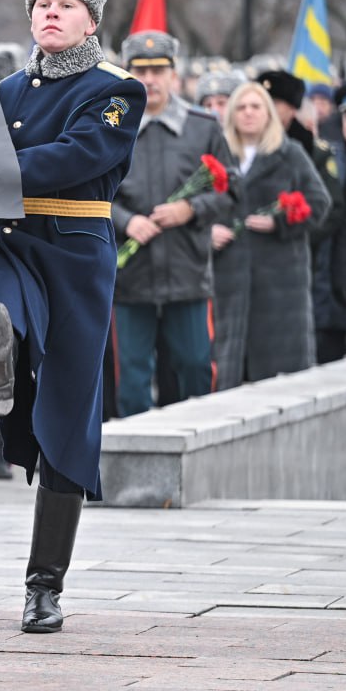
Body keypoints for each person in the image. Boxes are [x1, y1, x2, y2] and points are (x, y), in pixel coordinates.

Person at [0, 0, 145, 632]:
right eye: (42, 3)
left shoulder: (117, 88)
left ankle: (44, 582)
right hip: (8, 239)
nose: (51, 12)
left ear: (92, 20)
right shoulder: (2, 91)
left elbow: (76, 157)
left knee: (65, 414)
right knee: (0, 309)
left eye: (66, 3)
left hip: (76, 251)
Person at [110, 31, 235, 417]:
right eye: (141, 70)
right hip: (131, 274)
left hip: (187, 270)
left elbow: (231, 193)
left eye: (159, 70)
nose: (150, 79)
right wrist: (127, 221)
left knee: (195, 368)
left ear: (174, 75)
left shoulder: (204, 127)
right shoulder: (112, 127)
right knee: (132, 378)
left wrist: (190, 209)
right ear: (128, 75)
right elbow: (92, 194)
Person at [216, 82, 331, 381]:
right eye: (241, 107)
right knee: (234, 375)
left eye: (256, 106)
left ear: (268, 113)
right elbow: (201, 205)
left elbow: (320, 203)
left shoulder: (289, 153)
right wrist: (209, 232)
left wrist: (279, 222)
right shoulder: (220, 157)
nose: (248, 113)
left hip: (281, 284)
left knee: (279, 377)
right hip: (231, 278)